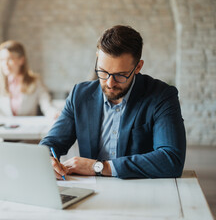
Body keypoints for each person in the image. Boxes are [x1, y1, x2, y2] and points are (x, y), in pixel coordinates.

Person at [40, 25, 186, 179]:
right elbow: (52, 142)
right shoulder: (80, 95)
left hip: (141, 191)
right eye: (102, 72)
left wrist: (100, 167)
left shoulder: (161, 97)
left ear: (138, 67)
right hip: (90, 191)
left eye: (120, 75)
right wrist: (47, 158)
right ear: (97, 58)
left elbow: (171, 160)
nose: (110, 83)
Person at [0, 40, 59, 119]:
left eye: (9, 59)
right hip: (3, 130)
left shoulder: (35, 82)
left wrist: (55, 114)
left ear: (21, 60)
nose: (5, 64)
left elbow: (47, 107)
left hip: (27, 130)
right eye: (2, 60)